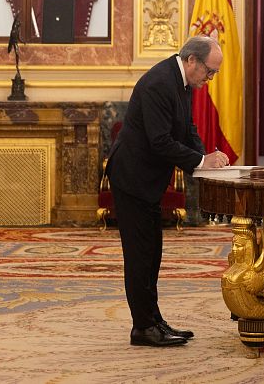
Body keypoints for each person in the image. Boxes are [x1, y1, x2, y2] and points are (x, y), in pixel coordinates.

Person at [107, 35, 229, 347]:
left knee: (153, 255)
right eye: (209, 72)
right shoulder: (159, 82)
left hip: (148, 180)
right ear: (192, 61)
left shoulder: (182, 83)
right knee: (140, 257)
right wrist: (202, 160)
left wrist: (206, 164)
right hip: (132, 178)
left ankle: (154, 321)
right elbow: (160, 141)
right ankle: (143, 328)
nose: (209, 79)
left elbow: (186, 130)